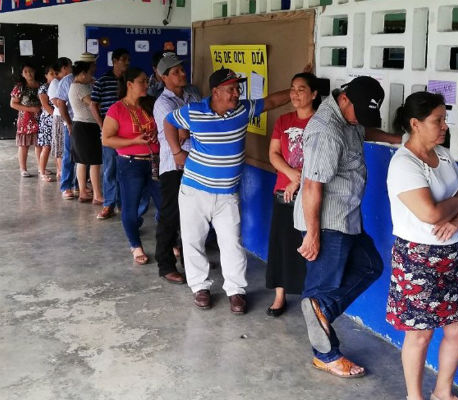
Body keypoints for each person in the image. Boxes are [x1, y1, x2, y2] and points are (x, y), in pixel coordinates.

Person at [293, 76, 400, 378]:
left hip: (347, 217)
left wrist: (397, 139)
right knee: (322, 287)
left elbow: (363, 130)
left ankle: (320, 311)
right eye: (358, 113)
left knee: (370, 265)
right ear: (344, 100)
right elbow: (312, 185)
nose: (359, 121)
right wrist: (313, 234)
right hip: (327, 222)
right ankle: (325, 355)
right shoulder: (326, 130)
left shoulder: (348, 119)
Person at [163, 67, 291, 314]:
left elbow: (274, 100)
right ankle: (200, 287)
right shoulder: (195, 111)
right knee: (193, 241)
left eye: (238, 88)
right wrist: (176, 151)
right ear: (216, 92)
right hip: (194, 191)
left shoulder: (242, 110)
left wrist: (297, 90)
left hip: (227, 194)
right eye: (231, 89)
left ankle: (236, 291)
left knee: (232, 243)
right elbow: (169, 121)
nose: (236, 93)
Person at [386, 92, 458, 400]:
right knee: (420, 334)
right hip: (418, 261)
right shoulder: (404, 164)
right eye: (438, 120)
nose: (444, 126)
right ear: (415, 123)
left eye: (444, 119)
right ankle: (415, 397)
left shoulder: (444, 155)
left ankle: (442, 392)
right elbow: (430, 213)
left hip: (450, 260)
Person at [265, 72, 320, 317]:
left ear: (314, 94)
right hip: (283, 190)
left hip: (311, 192)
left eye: (301, 89)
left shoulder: (320, 123)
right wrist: (292, 175)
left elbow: (323, 160)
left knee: (311, 245)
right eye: (292, 89)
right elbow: (274, 154)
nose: (294, 94)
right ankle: (280, 295)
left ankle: (313, 298)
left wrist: (301, 180)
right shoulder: (283, 120)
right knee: (281, 244)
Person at [102, 67, 161, 265]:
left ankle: (169, 242)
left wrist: (155, 135)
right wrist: (134, 141)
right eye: (142, 81)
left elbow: (162, 127)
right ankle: (136, 245)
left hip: (155, 162)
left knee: (165, 204)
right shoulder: (116, 109)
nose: (147, 84)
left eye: (147, 81)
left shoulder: (150, 104)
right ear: (129, 84)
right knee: (131, 206)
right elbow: (107, 140)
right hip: (130, 163)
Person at [153, 53, 201, 284]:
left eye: (182, 69)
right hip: (174, 165)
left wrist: (189, 129)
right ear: (164, 78)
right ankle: (165, 264)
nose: (182, 74)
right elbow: (179, 133)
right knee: (171, 216)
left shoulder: (193, 93)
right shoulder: (163, 103)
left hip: (198, 162)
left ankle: (192, 261)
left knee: (194, 217)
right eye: (176, 72)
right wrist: (188, 129)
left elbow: (200, 125)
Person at [90, 48, 130, 220]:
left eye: (128, 59)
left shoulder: (130, 81)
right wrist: (102, 126)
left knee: (126, 168)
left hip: (127, 131)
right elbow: (93, 105)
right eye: (124, 59)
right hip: (110, 131)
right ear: (115, 60)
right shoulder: (103, 81)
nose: (127, 62)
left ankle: (124, 203)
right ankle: (109, 204)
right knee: (109, 169)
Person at [68, 54, 104, 204]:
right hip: (87, 127)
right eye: (90, 73)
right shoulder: (80, 88)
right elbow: (93, 105)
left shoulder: (79, 85)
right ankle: (97, 195)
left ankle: (83, 191)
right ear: (82, 74)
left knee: (82, 161)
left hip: (81, 126)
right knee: (95, 161)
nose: (92, 76)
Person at [53, 58, 79, 200]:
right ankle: (66, 186)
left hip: (84, 123)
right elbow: (60, 103)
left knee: (83, 156)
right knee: (69, 155)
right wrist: (68, 123)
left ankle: (78, 185)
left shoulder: (90, 79)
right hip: (72, 122)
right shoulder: (67, 81)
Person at [10, 63, 41, 177]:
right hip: (25, 120)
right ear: (22, 74)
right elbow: (13, 104)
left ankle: (41, 167)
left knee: (40, 144)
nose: (29, 73)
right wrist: (30, 109)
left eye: (31, 70)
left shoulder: (40, 85)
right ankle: (23, 169)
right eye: (26, 71)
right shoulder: (20, 87)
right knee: (24, 145)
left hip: (39, 118)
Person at [49, 57, 72, 180]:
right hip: (59, 117)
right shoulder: (55, 82)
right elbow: (57, 102)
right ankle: (61, 171)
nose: (72, 68)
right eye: (70, 65)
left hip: (67, 115)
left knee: (65, 147)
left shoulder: (67, 80)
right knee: (60, 147)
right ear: (64, 68)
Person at [37, 64, 57, 182]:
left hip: (56, 119)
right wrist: (56, 116)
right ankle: (42, 171)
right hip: (48, 120)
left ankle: (59, 170)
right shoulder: (44, 87)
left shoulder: (58, 85)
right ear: (46, 76)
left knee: (56, 147)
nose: (54, 76)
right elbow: (45, 105)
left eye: (55, 73)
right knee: (47, 147)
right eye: (51, 74)